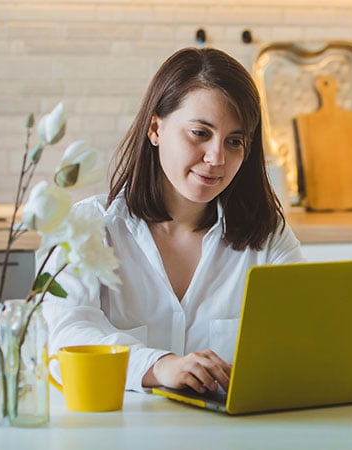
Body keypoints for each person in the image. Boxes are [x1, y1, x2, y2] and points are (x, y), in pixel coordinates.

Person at [43, 47, 305, 395]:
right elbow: (66, 336)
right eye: (200, 133)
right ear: (155, 128)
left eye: (234, 141)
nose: (216, 158)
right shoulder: (90, 227)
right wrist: (160, 366)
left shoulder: (268, 236)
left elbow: (304, 340)